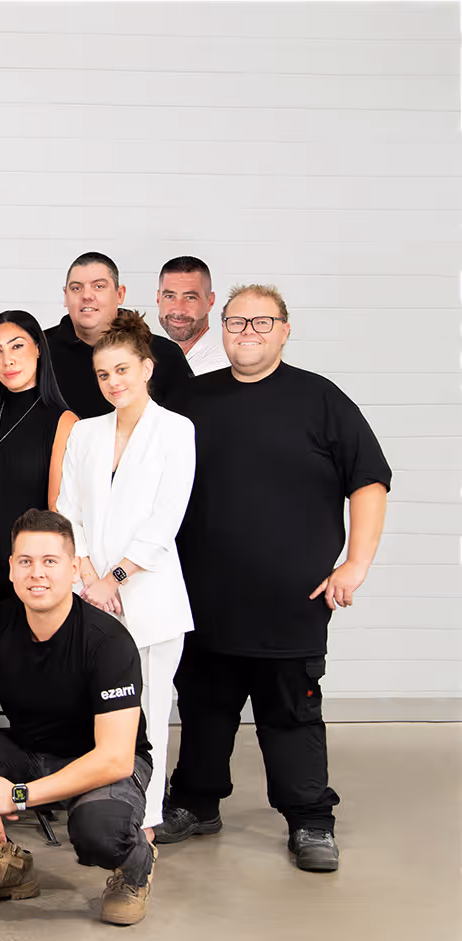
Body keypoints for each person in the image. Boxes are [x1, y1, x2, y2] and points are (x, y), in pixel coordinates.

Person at [160, 284, 391, 872]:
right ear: (222, 329)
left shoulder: (320, 399)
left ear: (285, 330)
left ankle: (311, 820)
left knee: (290, 713)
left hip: (291, 601)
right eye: (237, 323)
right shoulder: (189, 399)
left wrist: (356, 564)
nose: (248, 334)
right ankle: (196, 803)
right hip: (204, 595)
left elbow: (368, 480)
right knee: (205, 706)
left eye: (262, 324)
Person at [0, 509, 159, 926]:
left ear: (74, 569)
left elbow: (115, 758)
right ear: (12, 569)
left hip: (99, 764)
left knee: (100, 834)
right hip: (30, 754)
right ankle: (2, 864)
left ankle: (133, 866)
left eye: (50, 562)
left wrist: (15, 796)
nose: (37, 573)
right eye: (26, 561)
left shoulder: (107, 641)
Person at [54, 311, 195, 836]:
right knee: (96, 712)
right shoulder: (86, 433)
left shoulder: (176, 430)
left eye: (122, 370)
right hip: (89, 593)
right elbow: (68, 510)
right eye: (103, 374)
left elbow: (165, 519)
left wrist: (113, 577)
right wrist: (88, 575)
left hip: (148, 594)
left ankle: (148, 818)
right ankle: (96, 807)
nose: (113, 382)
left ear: (146, 367)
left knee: (150, 714)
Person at [0, 311, 76, 605]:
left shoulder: (64, 422)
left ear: (38, 347)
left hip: (26, 586)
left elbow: (57, 512)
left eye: (17, 346)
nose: (6, 360)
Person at [43, 252, 192, 419]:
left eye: (98, 286)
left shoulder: (164, 353)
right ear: (65, 296)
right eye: (76, 288)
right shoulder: (39, 351)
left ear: (120, 294)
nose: (86, 296)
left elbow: (187, 425)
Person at [156, 255, 229, 376]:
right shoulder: (157, 356)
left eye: (190, 298)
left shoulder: (218, 367)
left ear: (210, 302)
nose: (178, 310)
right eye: (169, 296)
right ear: (158, 299)